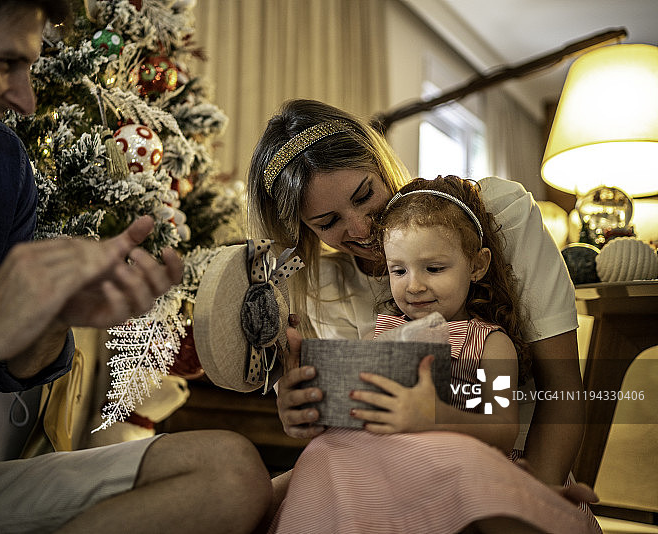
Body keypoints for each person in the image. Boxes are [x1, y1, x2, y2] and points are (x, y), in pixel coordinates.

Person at [0, 1, 270, 532]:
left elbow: (20, 369)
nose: (27, 101)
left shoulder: (0, 165)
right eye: (4, 62)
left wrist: (54, 314)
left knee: (228, 471)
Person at [246, 100, 591, 514]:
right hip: (395, 481)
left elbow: (558, 391)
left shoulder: (495, 216)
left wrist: (534, 498)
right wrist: (306, 410)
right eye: (327, 223)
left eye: (364, 195)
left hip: (505, 474)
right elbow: (358, 424)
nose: (361, 228)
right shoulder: (319, 285)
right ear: (302, 229)